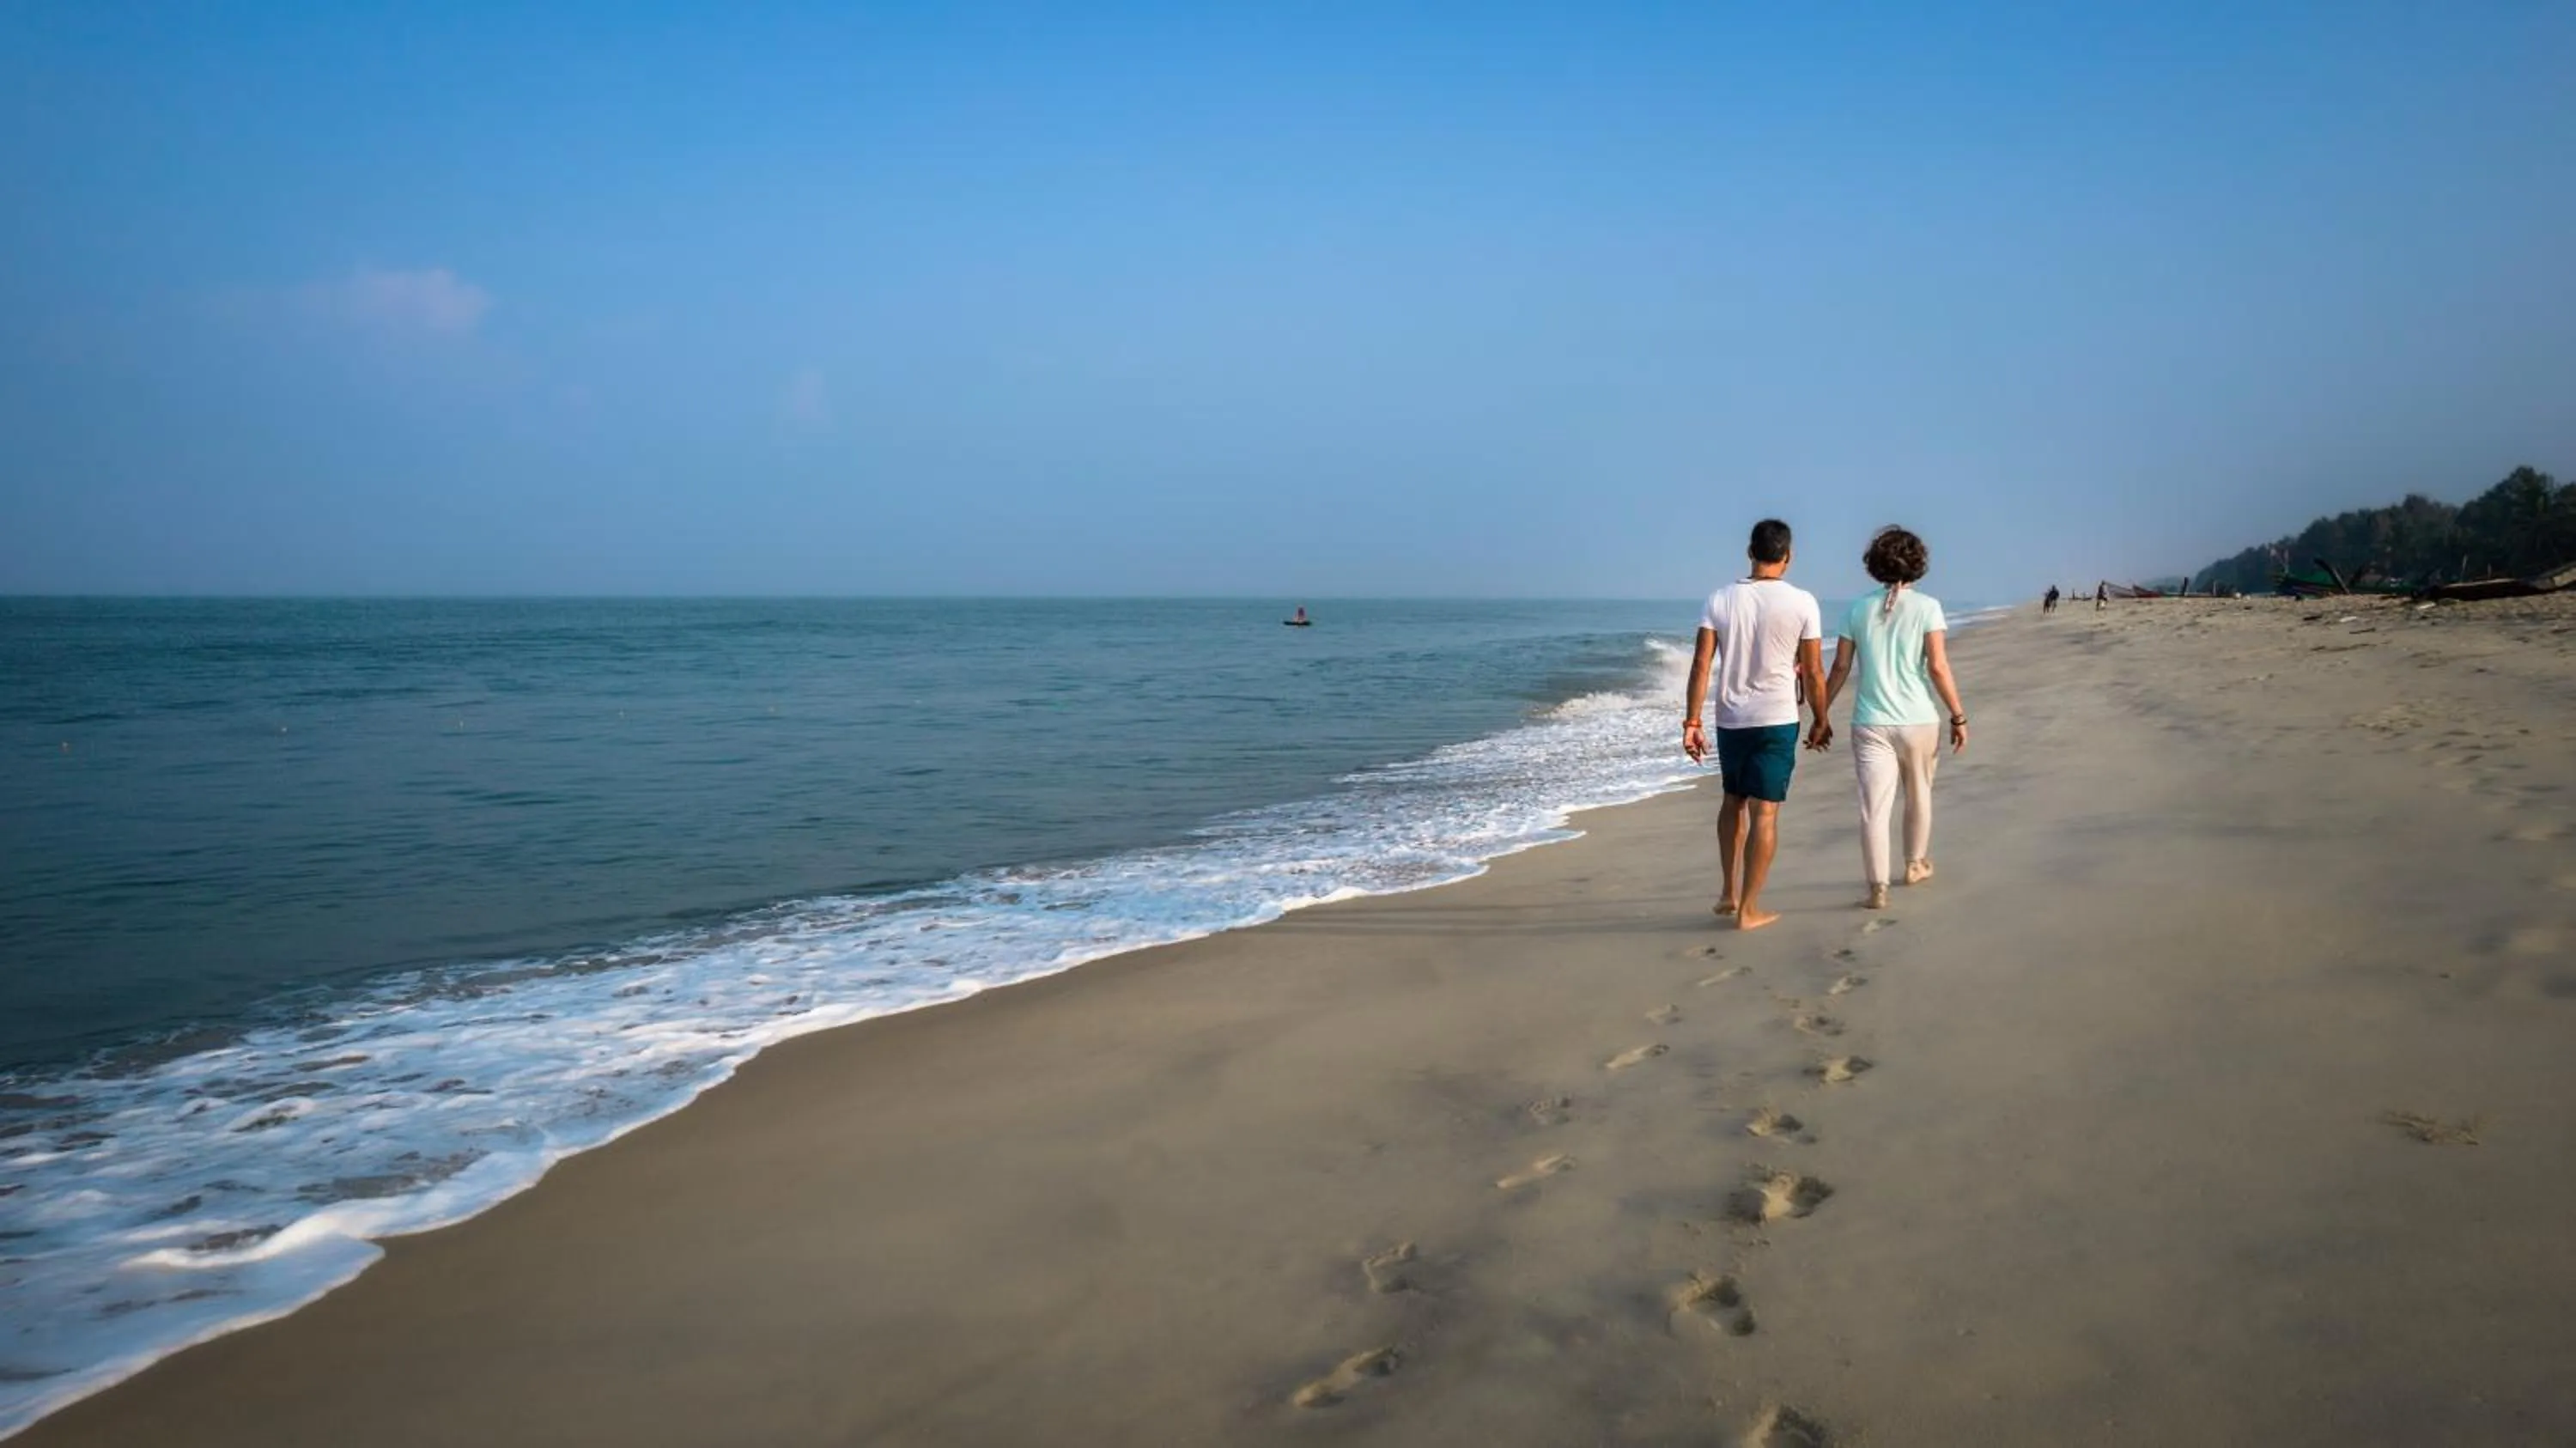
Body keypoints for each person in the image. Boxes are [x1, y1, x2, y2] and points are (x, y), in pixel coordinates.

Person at [1683, 519, 1827, 931]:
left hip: (1731, 718)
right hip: (1777, 718)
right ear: (1788, 556)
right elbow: (1814, 671)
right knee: (1766, 813)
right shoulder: (1803, 602)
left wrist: (1692, 722)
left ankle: (1728, 892)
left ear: (1750, 552)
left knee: (1733, 800)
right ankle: (1749, 909)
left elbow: (1700, 664)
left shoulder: (1720, 599)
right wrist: (1821, 718)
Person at [1814, 526, 1969, 910]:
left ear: (1875, 564)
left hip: (1870, 722)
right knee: (1919, 795)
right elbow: (1937, 666)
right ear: (1917, 563)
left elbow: (1839, 668)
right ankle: (1914, 865)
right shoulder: (1928, 607)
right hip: (1919, 720)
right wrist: (1958, 714)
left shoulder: (1856, 609)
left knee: (1873, 808)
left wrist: (1821, 714)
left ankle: (1877, 887)